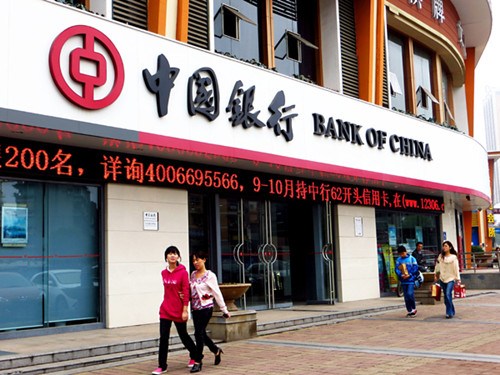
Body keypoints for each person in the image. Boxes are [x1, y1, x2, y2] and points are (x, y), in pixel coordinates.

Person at [152, 246, 197, 375]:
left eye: (175, 254)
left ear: (178, 257)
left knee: (183, 336)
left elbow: (186, 291)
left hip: (178, 310)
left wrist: (185, 310)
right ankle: (162, 366)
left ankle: (195, 355)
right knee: (163, 338)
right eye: (170, 254)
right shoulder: (163, 273)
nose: (172, 256)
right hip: (165, 310)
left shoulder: (183, 272)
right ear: (166, 257)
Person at [189, 250, 230, 373]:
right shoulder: (192, 274)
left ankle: (198, 361)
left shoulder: (210, 275)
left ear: (204, 260)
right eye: (194, 260)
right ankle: (216, 350)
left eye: (198, 260)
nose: (196, 262)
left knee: (198, 334)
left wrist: (224, 310)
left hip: (206, 308)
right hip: (195, 309)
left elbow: (217, 293)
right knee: (201, 333)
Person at [434, 240, 461, 319]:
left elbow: (456, 268)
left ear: (450, 247)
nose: (444, 247)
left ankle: (449, 313)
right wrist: (436, 274)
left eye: (446, 246)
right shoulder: (440, 256)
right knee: (446, 297)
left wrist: (458, 278)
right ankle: (451, 309)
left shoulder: (453, 257)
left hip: (451, 278)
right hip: (442, 278)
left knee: (448, 294)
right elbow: (437, 266)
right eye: (443, 246)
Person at [395, 245, 419, 317]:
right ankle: (409, 310)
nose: (402, 255)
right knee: (406, 296)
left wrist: (410, 275)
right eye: (400, 254)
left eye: (402, 253)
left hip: (411, 280)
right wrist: (401, 275)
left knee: (410, 294)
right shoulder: (398, 260)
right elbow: (397, 269)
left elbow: (415, 268)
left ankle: (413, 308)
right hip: (403, 280)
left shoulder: (412, 259)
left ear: (405, 252)